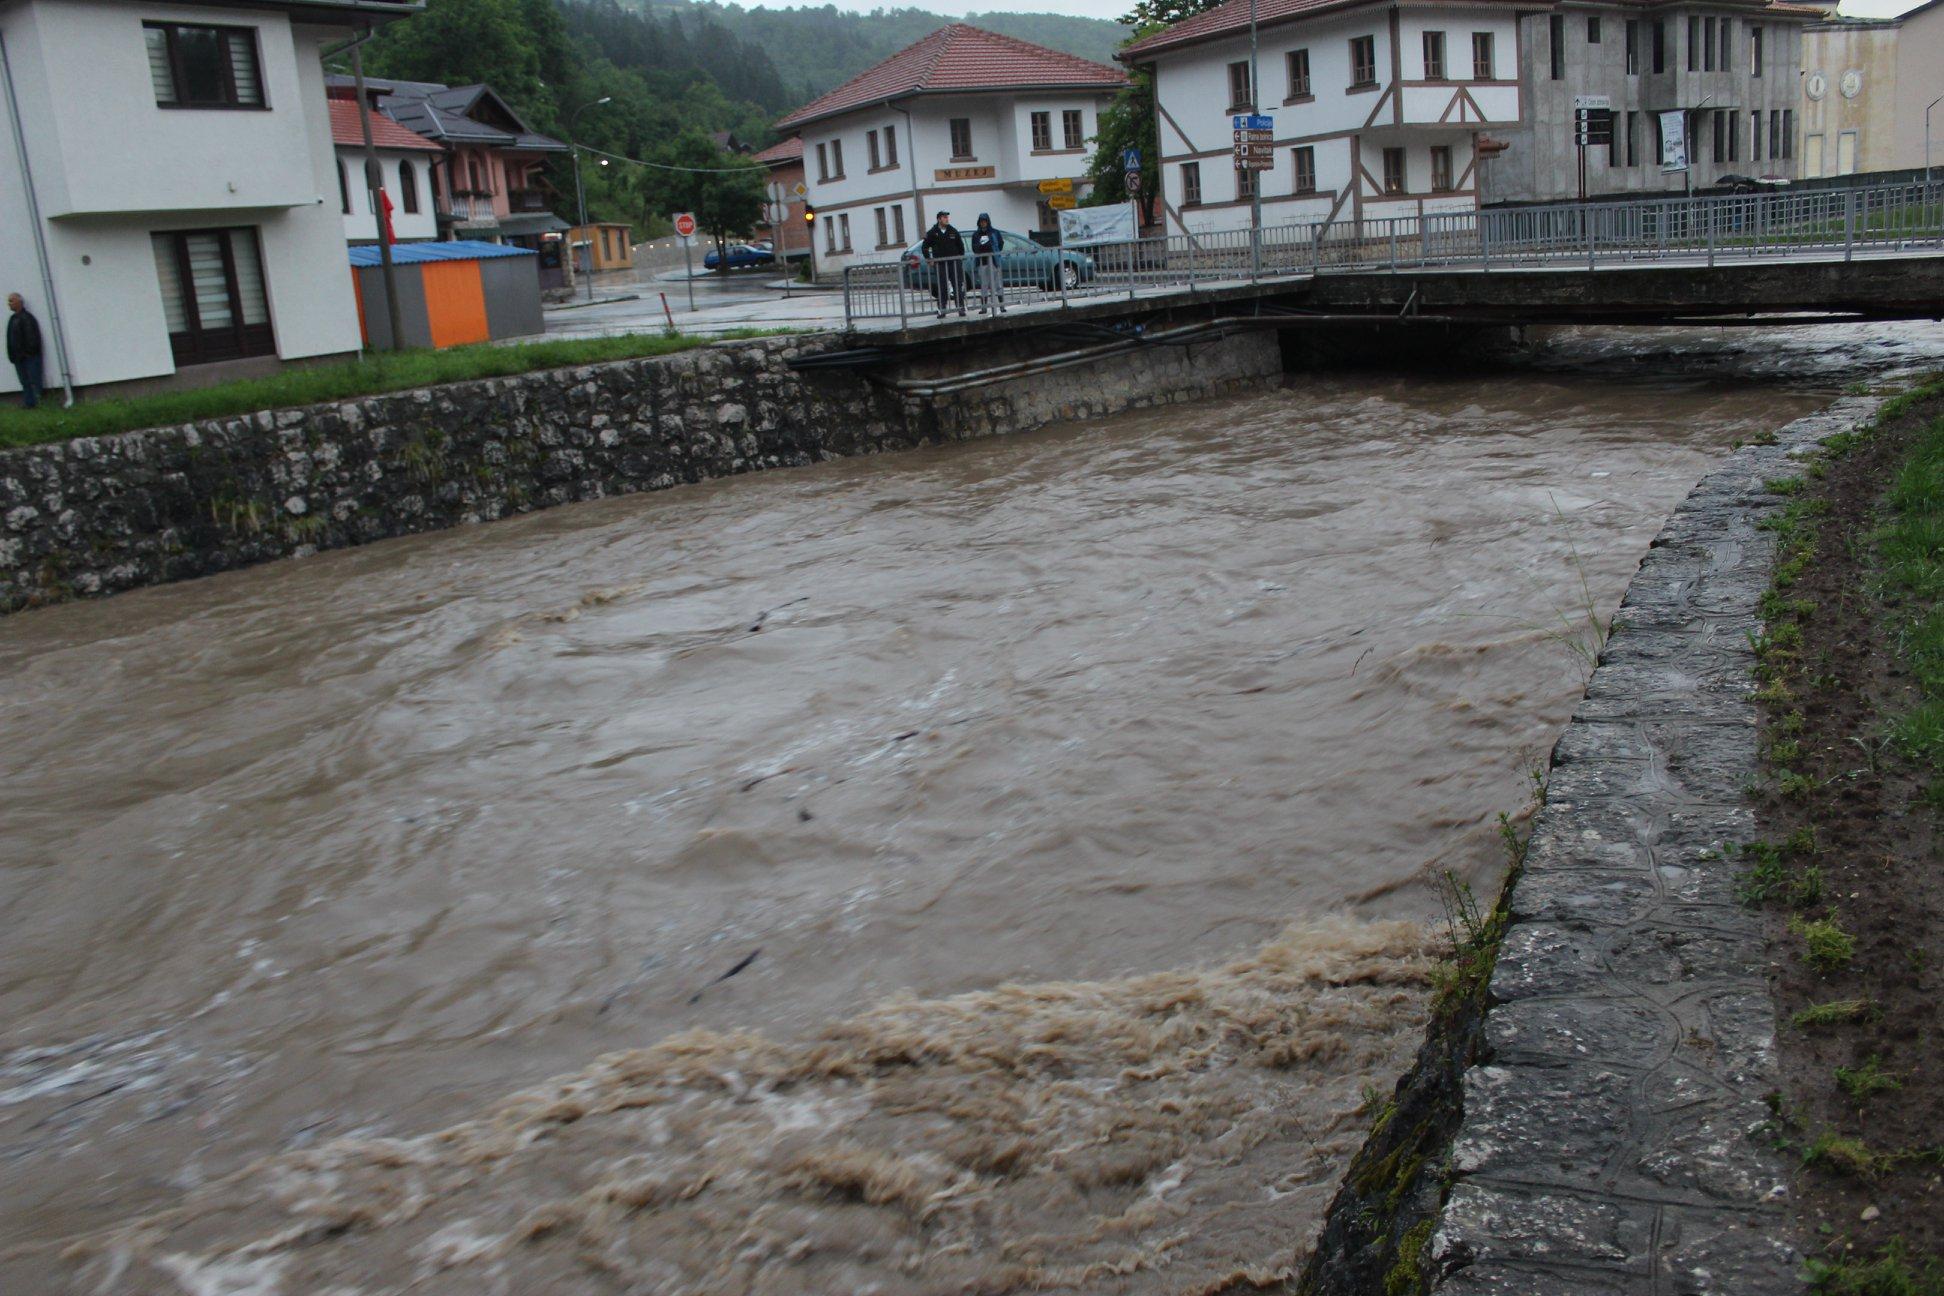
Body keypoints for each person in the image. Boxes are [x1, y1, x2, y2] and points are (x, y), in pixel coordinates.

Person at [921, 211, 965, 318]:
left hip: (954, 263)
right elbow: (925, 246)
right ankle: (942, 310)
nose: (947, 219)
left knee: (957, 286)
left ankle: (961, 309)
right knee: (942, 287)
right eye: (944, 217)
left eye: (947, 217)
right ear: (939, 219)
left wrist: (959, 258)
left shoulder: (952, 231)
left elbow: (960, 246)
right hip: (940, 264)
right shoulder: (933, 232)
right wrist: (929, 259)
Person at [7, 292, 44, 410]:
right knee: (24, 382)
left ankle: (38, 404)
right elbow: (10, 338)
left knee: (33, 380)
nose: (9, 304)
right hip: (18, 358)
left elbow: (32, 337)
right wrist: (12, 354)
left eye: (11, 301)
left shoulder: (27, 318)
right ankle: (29, 404)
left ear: (19, 302)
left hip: (29, 357)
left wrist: (28, 353)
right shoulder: (13, 319)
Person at [969, 213, 1005, 315]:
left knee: (998, 284)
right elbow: (975, 248)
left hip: (994, 261)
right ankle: (984, 308)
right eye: (981, 221)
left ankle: (1002, 306)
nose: (983, 223)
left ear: (988, 221)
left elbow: (1000, 244)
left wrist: (992, 249)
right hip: (982, 262)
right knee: (984, 285)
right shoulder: (976, 234)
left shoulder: (995, 232)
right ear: (979, 222)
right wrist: (983, 247)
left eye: (984, 221)